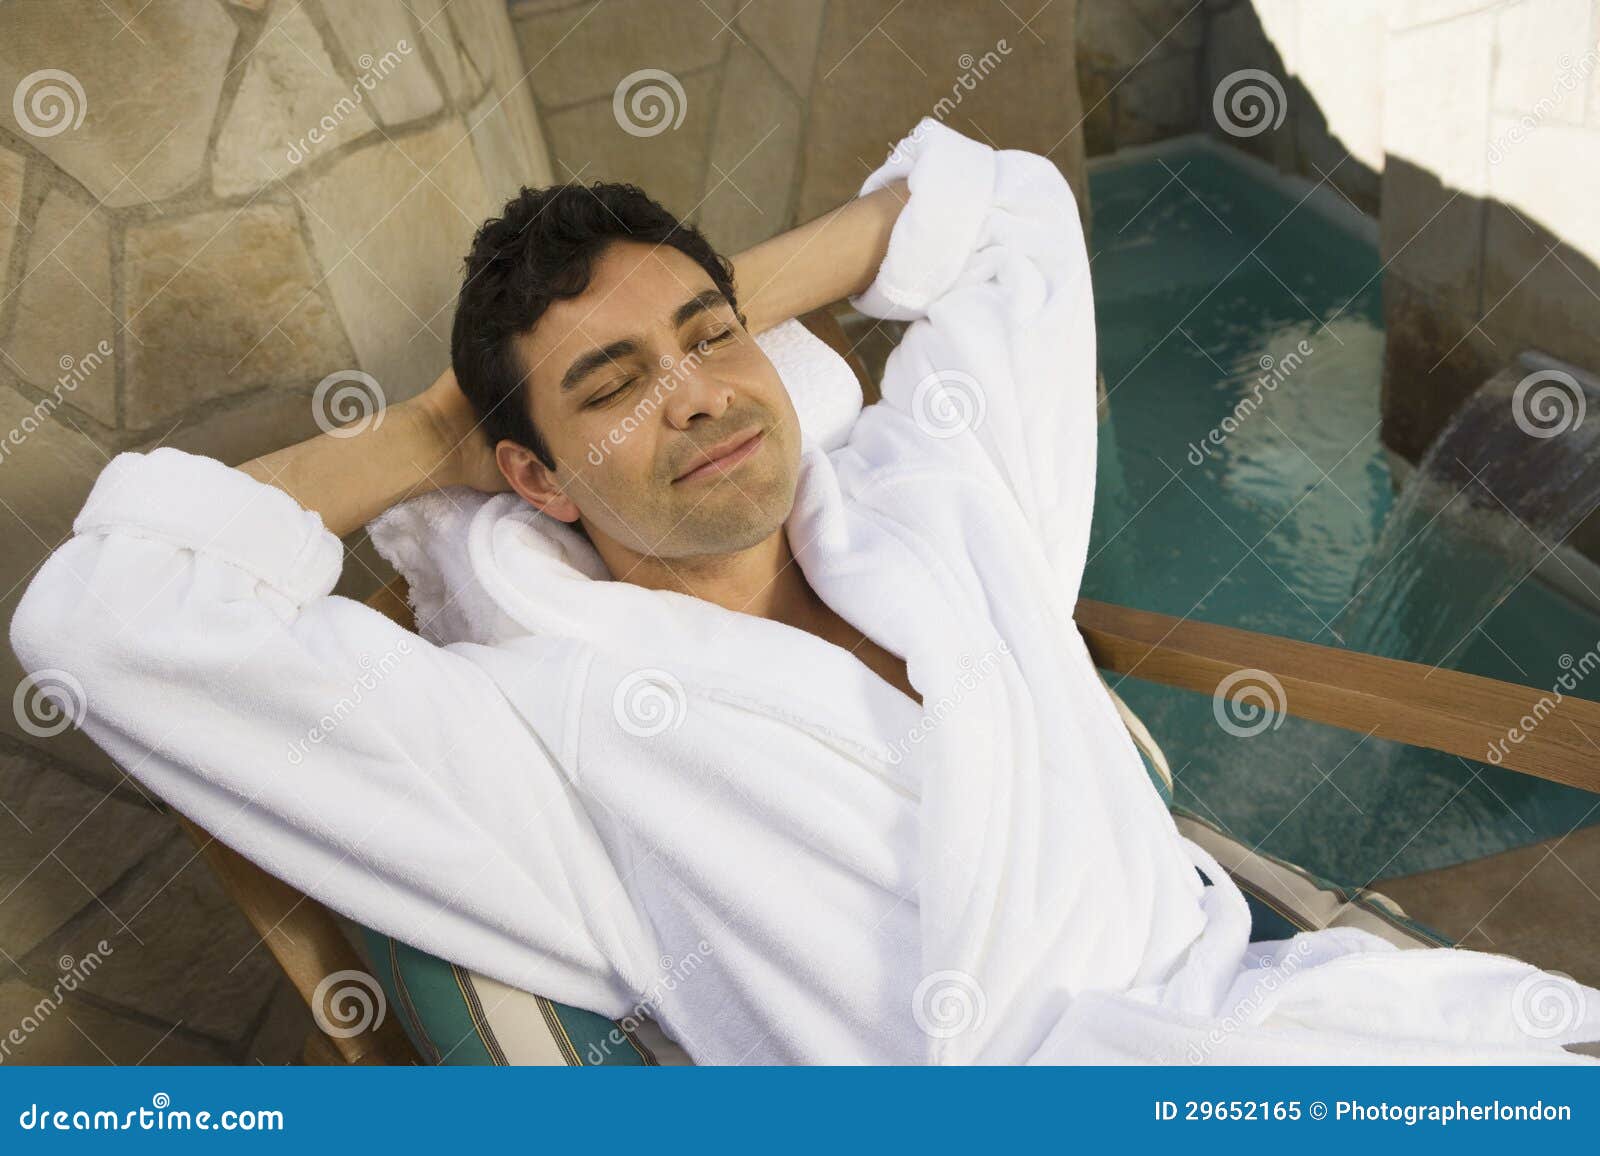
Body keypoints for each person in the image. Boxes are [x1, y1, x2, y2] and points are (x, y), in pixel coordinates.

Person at [12, 119, 1600, 1065]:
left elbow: (1015, 212)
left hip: (1260, 1027)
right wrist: (435, 432)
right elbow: (107, 618)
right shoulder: (539, 732)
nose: (703, 395)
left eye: (715, 339)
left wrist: (689, 317)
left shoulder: (937, 506)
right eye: (615, 390)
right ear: (538, 485)